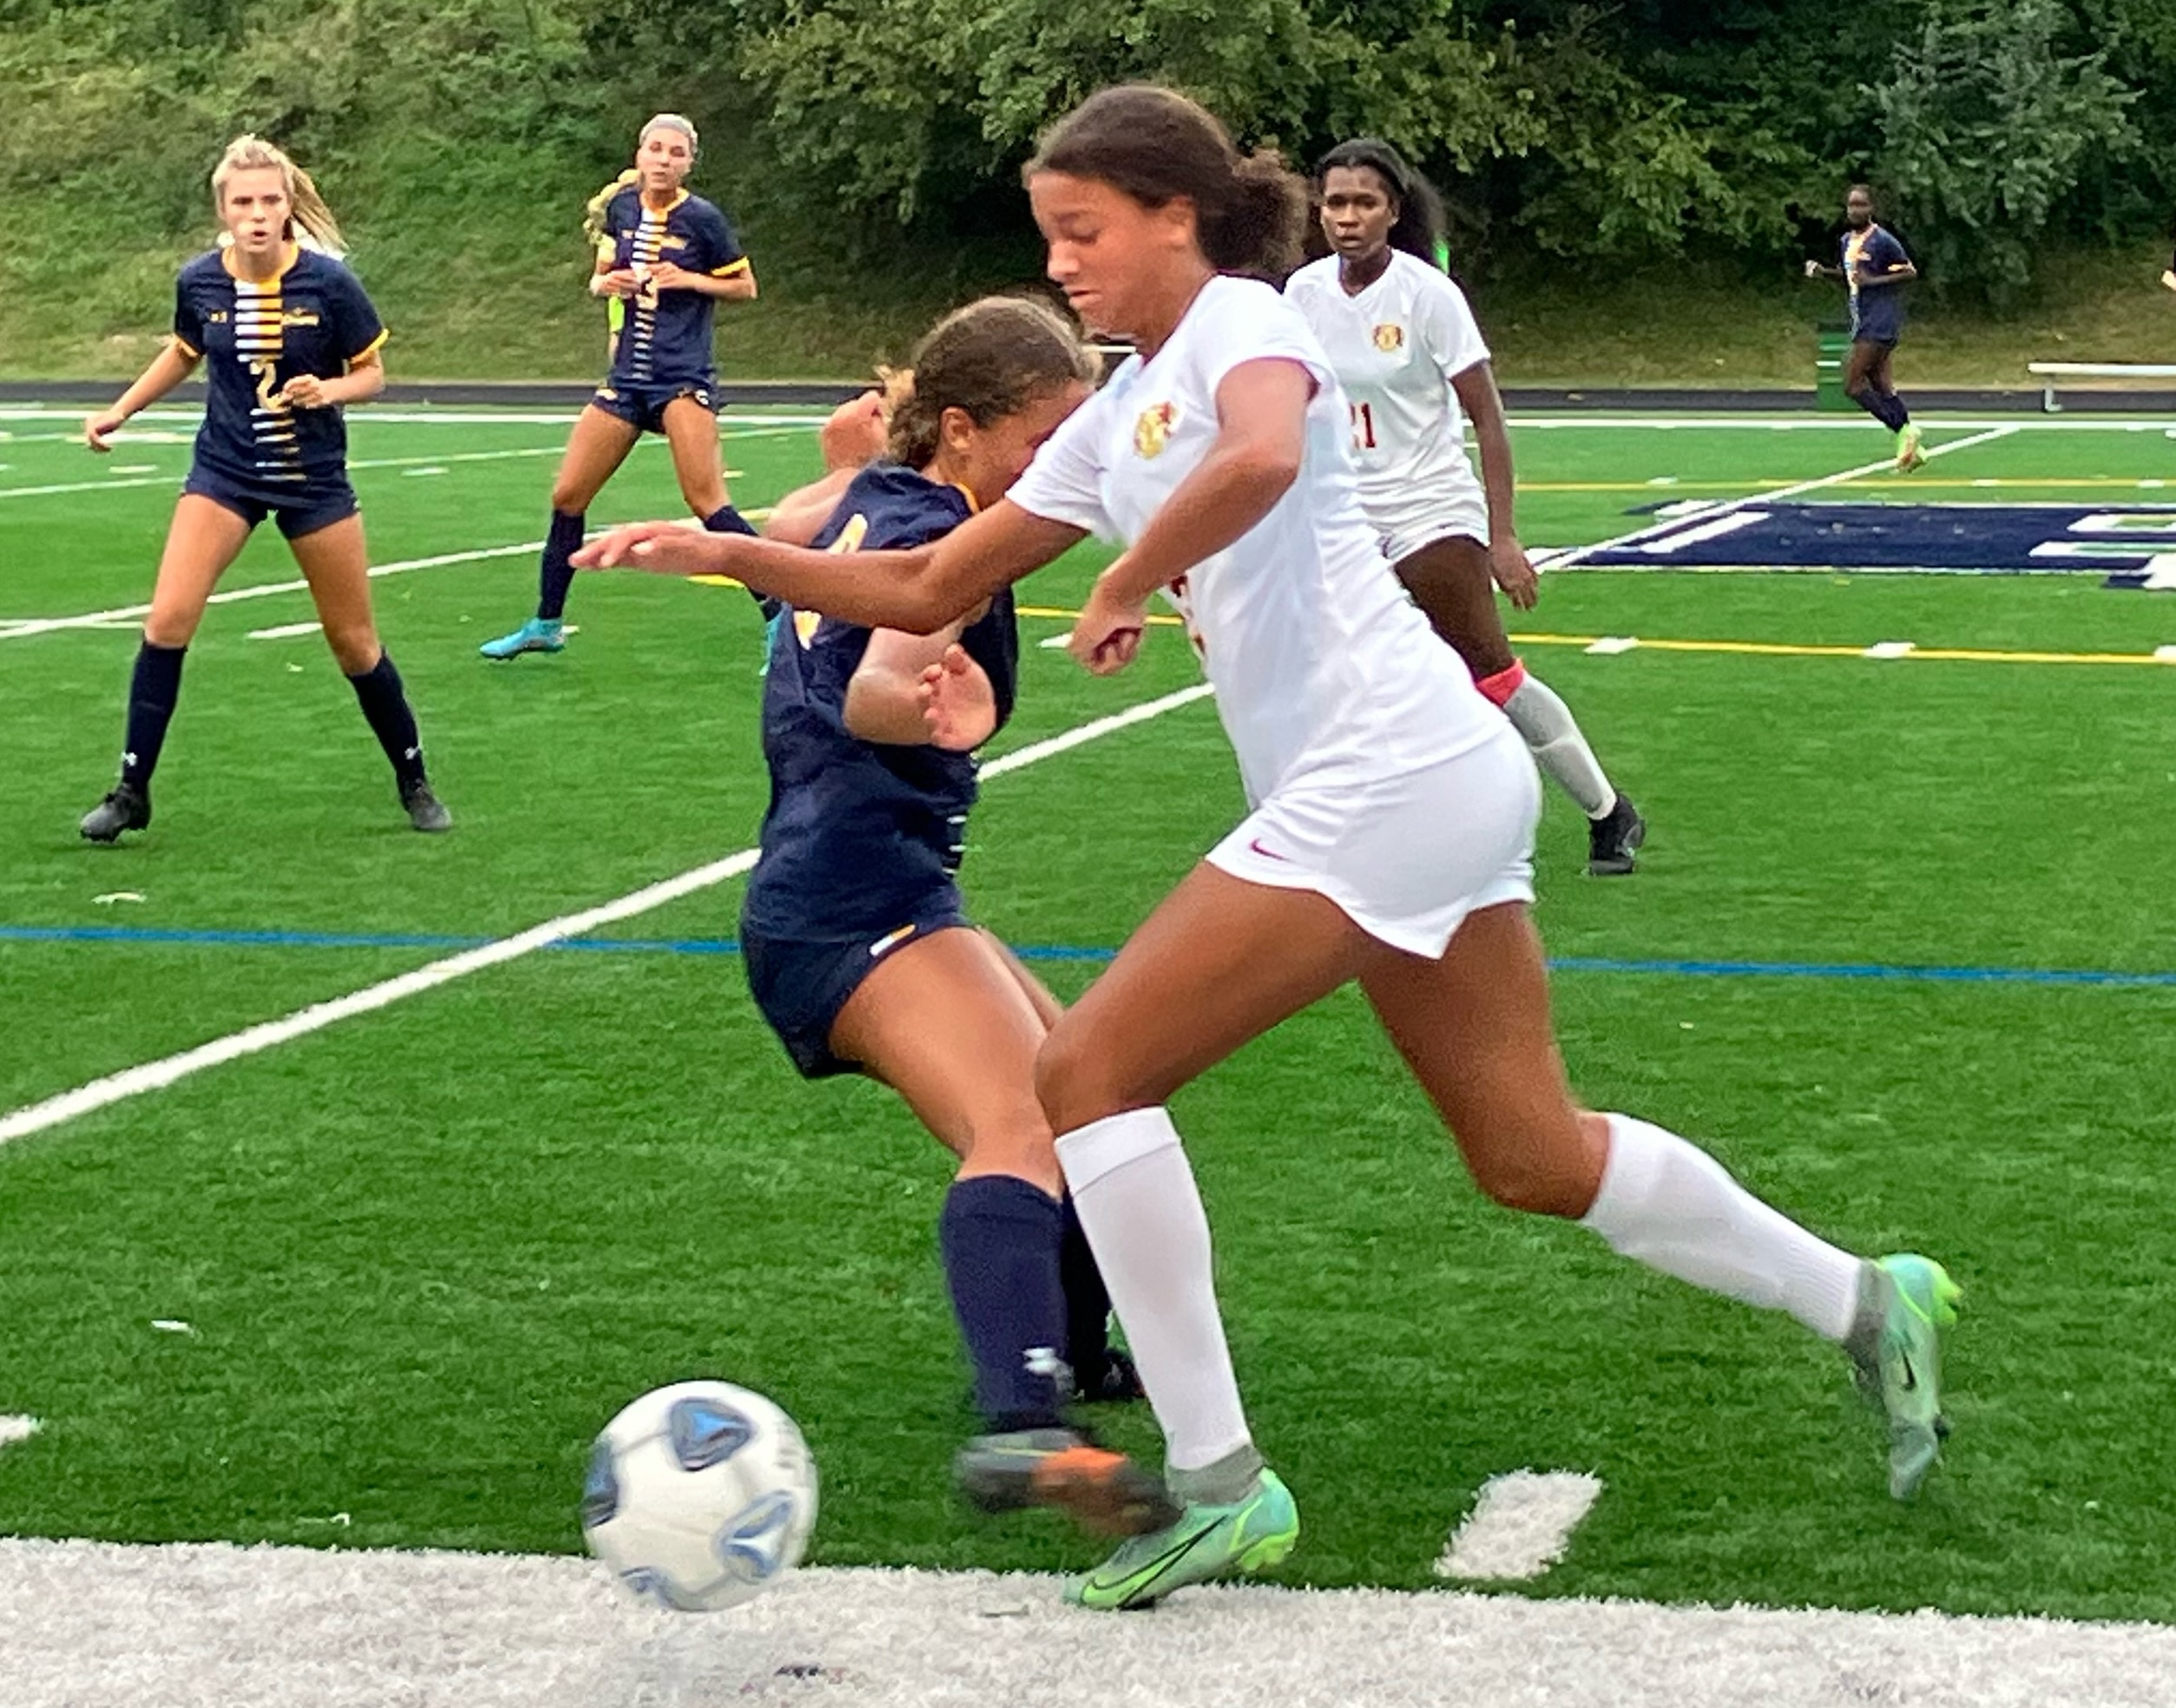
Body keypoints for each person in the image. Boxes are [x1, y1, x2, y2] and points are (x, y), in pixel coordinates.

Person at [577, 84, 1962, 1613]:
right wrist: (727, 552)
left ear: (1176, 216)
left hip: (1386, 767)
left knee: (1085, 1076)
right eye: (1050, 239)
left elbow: (1258, 459)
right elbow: (921, 583)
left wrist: (1129, 581)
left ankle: (1222, 1485)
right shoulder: (1111, 415)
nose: (1064, 268)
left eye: (1083, 232)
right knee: (1527, 1151)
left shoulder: (1245, 325)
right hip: (1423, 782)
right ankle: (1863, 1296)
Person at [742, 298, 1166, 1534]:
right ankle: (1021, 1419)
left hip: (869, 886)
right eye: (1045, 446)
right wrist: (928, 705)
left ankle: (1075, 1358)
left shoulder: (874, 500)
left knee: (1098, 1086)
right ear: (966, 434)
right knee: (1022, 1121)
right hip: (850, 902)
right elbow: (880, 682)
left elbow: (794, 522)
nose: (1064, 474)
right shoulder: (952, 558)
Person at [1286, 138, 1643, 876]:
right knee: (1345, 674)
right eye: (1334, 203)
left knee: (1489, 673)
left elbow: (1486, 418)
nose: (1347, 218)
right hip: (1347, 515)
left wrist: (1503, 537)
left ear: (1393, 211)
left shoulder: (1427, 295)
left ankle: (1609, 812)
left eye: (1364, 203)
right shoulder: (1303, 295)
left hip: (1429, 507)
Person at [77, 135, 449, 843]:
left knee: (354, 643)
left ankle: (413, 777)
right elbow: (184, 350)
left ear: (287, 208)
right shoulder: (200, 282)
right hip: (225, 473)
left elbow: (372, 375)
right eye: (242, 202)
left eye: (268, 201)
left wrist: (328, 389)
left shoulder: (328, 283)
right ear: (222, 208)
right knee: (166, 621)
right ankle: (131, 789)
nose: (256, 214)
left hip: (313, 482)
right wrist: (120, 409)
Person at [479, 114, 759, 660]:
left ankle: (780, 614)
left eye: (676, 153)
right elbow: (601, 271)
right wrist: (604, 282)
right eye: (655, 149)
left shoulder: (703, 219)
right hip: (628, 377)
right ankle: (546, 623)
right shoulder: (623, 207)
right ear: (639, 154)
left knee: (707, 501)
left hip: (682, 377)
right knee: (568, 496)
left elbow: (745, 286)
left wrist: (692, 281)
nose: (663, 160)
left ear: (688, 163)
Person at [1805, 185, 1922, 470]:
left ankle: (1904, 431)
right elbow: (1850, 278)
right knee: (1881, 385)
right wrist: (1823, 273)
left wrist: (1874, 281)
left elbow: (1909, 272)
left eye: (1861, 205)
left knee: (1853, 384)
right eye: (1851, 206)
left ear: (1871, 209)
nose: (1855, 210)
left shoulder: (1882, 240)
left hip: (1881, 319)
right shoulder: (1847, 241)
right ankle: (1914, 451)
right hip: (1862, 317)